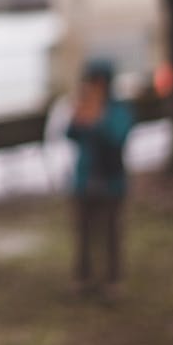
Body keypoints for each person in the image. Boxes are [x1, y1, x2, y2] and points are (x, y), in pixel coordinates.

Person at [66, 57, 134, 299]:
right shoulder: (84, 105)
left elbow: (117, 139)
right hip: (84, 182)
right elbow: (71, 134)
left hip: (111, 182)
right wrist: (78, 118)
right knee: (83, 233)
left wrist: (97, 120)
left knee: (111, 234)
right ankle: (84, 277)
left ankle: (112, 279)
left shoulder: (118, 110)